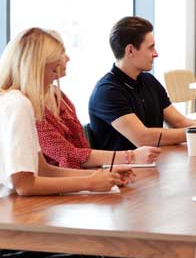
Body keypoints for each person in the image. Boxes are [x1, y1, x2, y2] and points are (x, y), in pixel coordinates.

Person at [0, 28, 134, 258]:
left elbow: (43, 170)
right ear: (34, 68)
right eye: (52, 71)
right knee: (101, 251)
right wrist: (89, 183)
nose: (54, 79)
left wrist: (103, 176)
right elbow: (25, 185)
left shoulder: (17, 102)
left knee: (109, 247)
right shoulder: (15, 106)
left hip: (9, 223)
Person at [89, 16, 196, 152]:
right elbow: (142, 138)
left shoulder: (149, 81)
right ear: (130, 50)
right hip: (124, 172)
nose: (155, 54)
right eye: (150, 48)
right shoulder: (107, 92)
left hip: (155, 164)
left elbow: (178, 121)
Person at [35, 31, 160, 169]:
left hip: (80, 177)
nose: (68, 58)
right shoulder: (107, 90)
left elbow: (81, 147)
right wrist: (130, 157)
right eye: (62, 53)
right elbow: (67, 154)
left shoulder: (58, 96)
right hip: (65, 183)